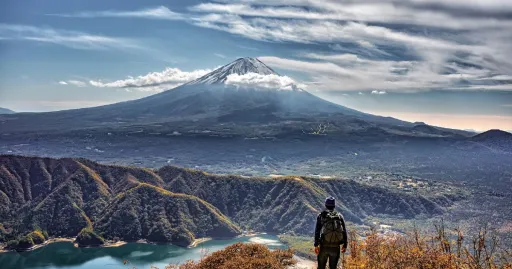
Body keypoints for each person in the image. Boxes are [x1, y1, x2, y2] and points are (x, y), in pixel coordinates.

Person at [314, 196, 348, 269]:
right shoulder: (339, 216)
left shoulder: (321, 216)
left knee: (321, 267)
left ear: (325, 205)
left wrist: (316, 245)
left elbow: (317, 231)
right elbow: (344, 231)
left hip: (324, 246)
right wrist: (345, 245)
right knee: (333, 267)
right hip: (335, 247)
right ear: (334, 206)